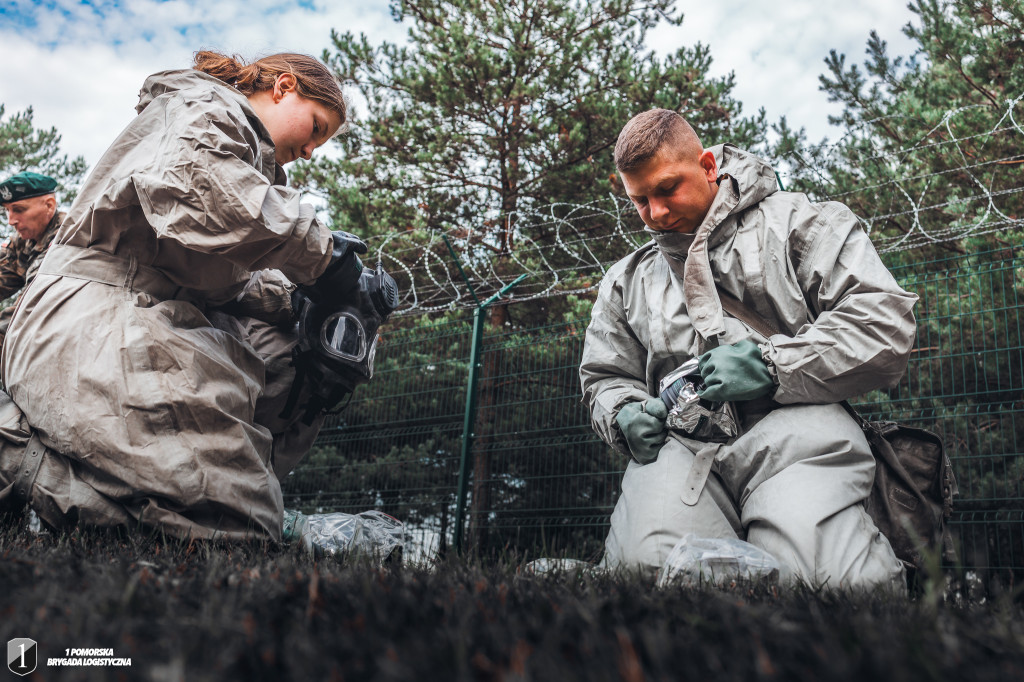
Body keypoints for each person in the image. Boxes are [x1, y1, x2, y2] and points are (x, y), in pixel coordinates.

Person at [0, 51, 367, 542]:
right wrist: (330, 259)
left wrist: (302, 305)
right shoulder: (203, 105)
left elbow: (228, 276)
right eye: (317, 127)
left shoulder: (241, 153)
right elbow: (205, 190)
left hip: (138, 313)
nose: (311, 151)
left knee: (293, 351)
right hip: (97, 313)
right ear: (284, 87)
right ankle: (15, 453)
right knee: (227, 528)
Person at [579, 109, 918, 590]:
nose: (655, 213)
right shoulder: (625, 282)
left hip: (801, 433)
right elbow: (604, 378)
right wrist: (622, 414)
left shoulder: (801, 224)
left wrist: (775, 366)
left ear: (708, 167)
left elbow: (884, 324)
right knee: (642, 580)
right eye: (640, 200)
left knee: (831, 587)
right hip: (678, 450)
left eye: (668, 188)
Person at [0, 172, 63, 347]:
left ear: (49, 206)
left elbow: (27, 310)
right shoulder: (23, 242)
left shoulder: (68, 238)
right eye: (7, 211)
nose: (11, 221)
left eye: (18, 210)